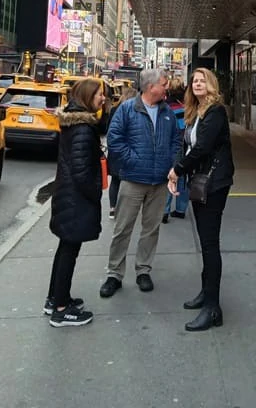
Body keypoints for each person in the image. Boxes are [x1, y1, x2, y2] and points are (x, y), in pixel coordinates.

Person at [99, 69, 180, 298]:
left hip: (159, 182)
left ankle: (143, 270)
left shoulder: (167, 112)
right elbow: (114, 139)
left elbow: (176, 140)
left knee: (151, 229)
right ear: (150, 86)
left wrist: (172, 164)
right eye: (164, 84)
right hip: (133, 180)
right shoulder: (127, 109)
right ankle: (114, 274)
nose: (167, 87)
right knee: (123, 228)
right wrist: (133, 161)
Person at [168, 68, 234, 332]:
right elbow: (186, 146)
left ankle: (212, 308)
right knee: (206, 241)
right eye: (194, 81)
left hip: (214, 185)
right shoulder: (195, 113)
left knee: (209, 244)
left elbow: (203, 147)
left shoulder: (215, 111)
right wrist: (177, 170)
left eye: (202, 80)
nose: (197, 84)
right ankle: (206, 295)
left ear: (211, 85)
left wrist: (176, 171)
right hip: (199, 183)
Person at [45, 78, 106, 327]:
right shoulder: (82, 127)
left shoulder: (76, 122)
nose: (103, 98)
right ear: (88, 96)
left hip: (68, 197)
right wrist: (95, 192)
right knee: (69, 250)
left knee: (65, 249)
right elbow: (82, 171)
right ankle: (61, 310)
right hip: (76, 199)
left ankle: (56, 299)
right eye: (100, 94)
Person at [106, 85, 137, 220]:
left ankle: (112, 208)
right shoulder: (135, 110)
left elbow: (109, 129)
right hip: (130, 149)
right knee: (128, 181)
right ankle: (126, 210)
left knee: (115, 180)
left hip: (115, 150)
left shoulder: (114, 109)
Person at [162, 78, 188, 223]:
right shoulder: (187, 105)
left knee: (170, 175)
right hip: (185, 145)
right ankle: (180, 209)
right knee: (183, 176)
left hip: (170, 145)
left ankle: (164, 210)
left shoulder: (166, 106)